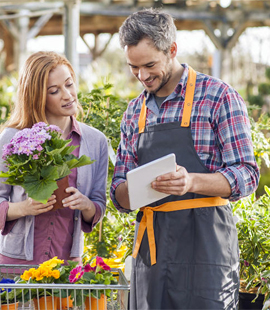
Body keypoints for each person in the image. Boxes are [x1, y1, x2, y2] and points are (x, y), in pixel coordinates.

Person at [110, 8, 260, 310]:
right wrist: (131, 189)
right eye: (133, 67)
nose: (142, 76)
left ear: (172, 50)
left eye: (149, 65)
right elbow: (118, 192)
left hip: (206, 249)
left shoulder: (218, 97)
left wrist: (190, 181)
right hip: (151, 251)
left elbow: (247, 175)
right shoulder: (133, 112)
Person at [0, 51, 108, 268]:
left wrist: (86, 204)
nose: (67, 95)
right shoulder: (12, 139)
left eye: (69, 84)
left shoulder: (95, 141)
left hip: (66, 267)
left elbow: (98, 206)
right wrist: (25, 207)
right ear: (37, 96)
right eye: (54, 91)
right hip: (16, 265)